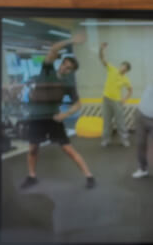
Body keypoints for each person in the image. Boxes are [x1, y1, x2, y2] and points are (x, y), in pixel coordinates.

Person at [17, 32, 96, 189]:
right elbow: (53, 49)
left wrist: (65, 114)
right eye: (64, 64)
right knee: (33, 149)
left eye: (69, 67)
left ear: (71, 71)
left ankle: (89, 176)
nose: (65, 67)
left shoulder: (68, 84)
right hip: (36, 117)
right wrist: (72, 40)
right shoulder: (47, 70)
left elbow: (78, 104)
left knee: (68, 149)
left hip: (53, 119)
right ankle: (32, 176)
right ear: (61, 64)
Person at [98, 42, 133, 147]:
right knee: (106, 121)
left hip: (117, 101)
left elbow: (130, 90)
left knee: (120, 121)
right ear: (120, 66)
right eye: (123, 65)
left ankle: (124, 140)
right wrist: (101, 49)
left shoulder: (125, 79)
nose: (123, 68)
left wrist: (125, 99)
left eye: (125, 68)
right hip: (106, 99)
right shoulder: (112, 69)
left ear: (126, 71)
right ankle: (106, 140)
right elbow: (102, 59)